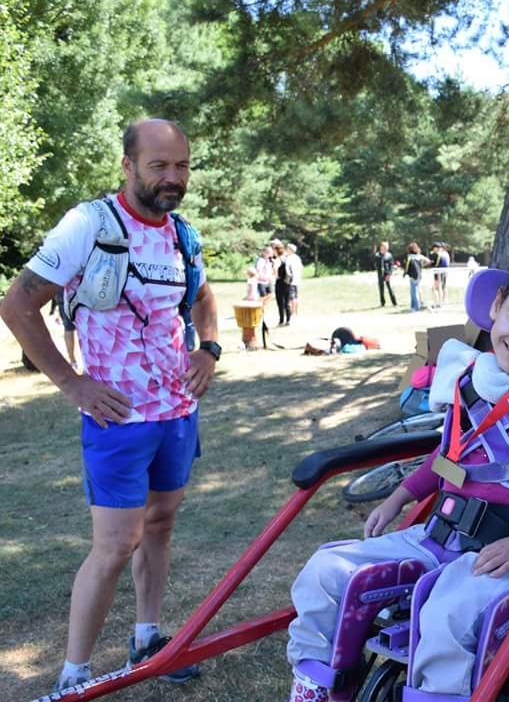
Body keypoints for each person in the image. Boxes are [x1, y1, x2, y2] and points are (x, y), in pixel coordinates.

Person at [284, 234, 509, 701]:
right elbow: (451, 458)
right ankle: (320, 689)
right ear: (497, 305)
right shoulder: (471, 378)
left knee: (447, 613)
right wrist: (399, 497)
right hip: (438, 535)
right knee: (325, 570)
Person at [0, 118, 220, 693]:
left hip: (177, 413)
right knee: (115, 545)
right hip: (118, 419)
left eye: (181, 166)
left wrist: (209, 349)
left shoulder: (182, 234)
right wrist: (71, 383)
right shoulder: (89, 224)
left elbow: (203, 295)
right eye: (158, 165)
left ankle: (148, 637)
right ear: (128, 166)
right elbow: (16, 304)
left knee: (161, 525)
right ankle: (73, 675)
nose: (172, 177)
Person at [49, 289, 80, 371]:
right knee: (83, 330)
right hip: (78, 294)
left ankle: (73, 361)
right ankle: (84, 361)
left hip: (63, 296)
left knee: (68, 329)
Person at [404, 242, 430, 312]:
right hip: (419, 275)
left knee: (414, 292)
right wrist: (421, 265)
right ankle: (413, 306)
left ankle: (416, 307)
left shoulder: (409, 256)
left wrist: (405, 273)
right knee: (414, 291)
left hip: (413, 276)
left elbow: (406, 267)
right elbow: (428, 261)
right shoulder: (419, 256)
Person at [273, 239, 292, 325]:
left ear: (276, 251)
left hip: (280, 282)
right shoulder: (286, 258)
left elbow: (275, 273)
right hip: (287, 281)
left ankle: (281, 320)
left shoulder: (277, 260)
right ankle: (288, 319)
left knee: (280, 302)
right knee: (287, 301)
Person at [374, 241, 397, 307]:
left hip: (387, 274)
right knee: (381, 289)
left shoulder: (389, 255)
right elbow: (375, 264)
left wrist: (389, 274)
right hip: (380, 274)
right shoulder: (377, 255)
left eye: (386, 247)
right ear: (381, 247)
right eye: (384, 247)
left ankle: (394, 303)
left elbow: (391, 265)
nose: (385, 248)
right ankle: (382, 303)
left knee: (390, 288)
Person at [285, 242, 303, 318]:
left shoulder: (288, 258)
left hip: (291, 280)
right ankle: (296, 312)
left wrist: (288, 277)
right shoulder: (297, 257)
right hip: (297, 280)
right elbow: (301, 267)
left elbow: (287, 270)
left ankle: (292, 312)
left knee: (291, 297)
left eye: (287, 249)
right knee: (296, 296)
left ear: (290, 250)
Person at [430, 241, 450, 308]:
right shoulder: (443, 254)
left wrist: (431, 263)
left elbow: (436, 264)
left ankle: (438, 303)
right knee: (441, 288)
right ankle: (442, 302)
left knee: (437, 288)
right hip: (442, 272)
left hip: (439, 273)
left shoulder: (439, 255)